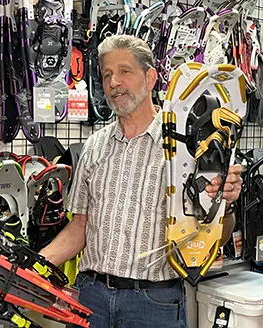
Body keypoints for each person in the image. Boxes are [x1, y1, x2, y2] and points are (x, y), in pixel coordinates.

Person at [39, 35, 243, 328]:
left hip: (153, 303)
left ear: (150, 77)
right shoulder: (94, 146)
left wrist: (225, 205)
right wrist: (35, 263)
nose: (113, 83)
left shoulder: (187, 146)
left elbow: (213, 235)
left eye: (124, 71)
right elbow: (81, 226)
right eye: (107, 74)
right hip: (91, 296)